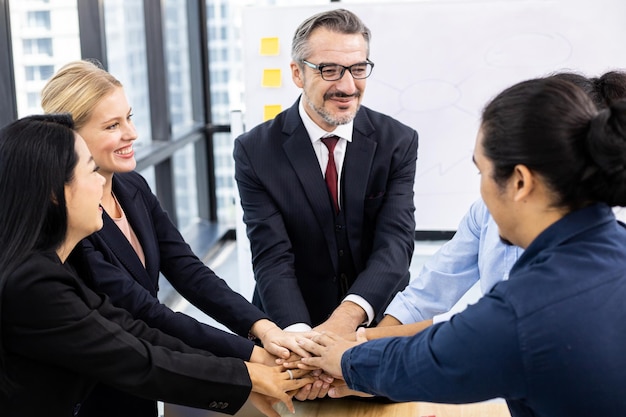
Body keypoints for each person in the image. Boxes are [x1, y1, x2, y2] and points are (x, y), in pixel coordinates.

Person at [297, 76, 626, 416]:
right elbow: (436, 296)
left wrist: (345, 357)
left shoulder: (526, 307)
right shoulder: (614, 245)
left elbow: (443, 355)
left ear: (520, 182)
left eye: (482, 172)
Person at [41, 60, 310, 417]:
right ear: (71, 138)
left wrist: (262, 328)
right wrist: (253, 357)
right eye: (112, 125)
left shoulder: (131, 186)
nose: (132, 133)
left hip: (150, 373)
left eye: (129, 118)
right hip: (100, 387)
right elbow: (144, 311)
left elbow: (188, 270)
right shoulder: (71, 223)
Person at [373, 70, 626, 334]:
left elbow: (486, 329)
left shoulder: (601, 240)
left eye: (484, 169)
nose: (485, 183)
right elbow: (433, 287)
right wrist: (363, 343)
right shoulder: (487, 213)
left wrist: (359, 350)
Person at [234, 8, 418, 336]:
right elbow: (272, 256)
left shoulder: (398, 141)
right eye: (329, 70)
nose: (347, 86)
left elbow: (395, 243)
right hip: (291, 321)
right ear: (296, 73)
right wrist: (299, 336)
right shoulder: (255, 150)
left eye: (358, 69)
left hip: (375, 319)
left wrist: (347, 320)